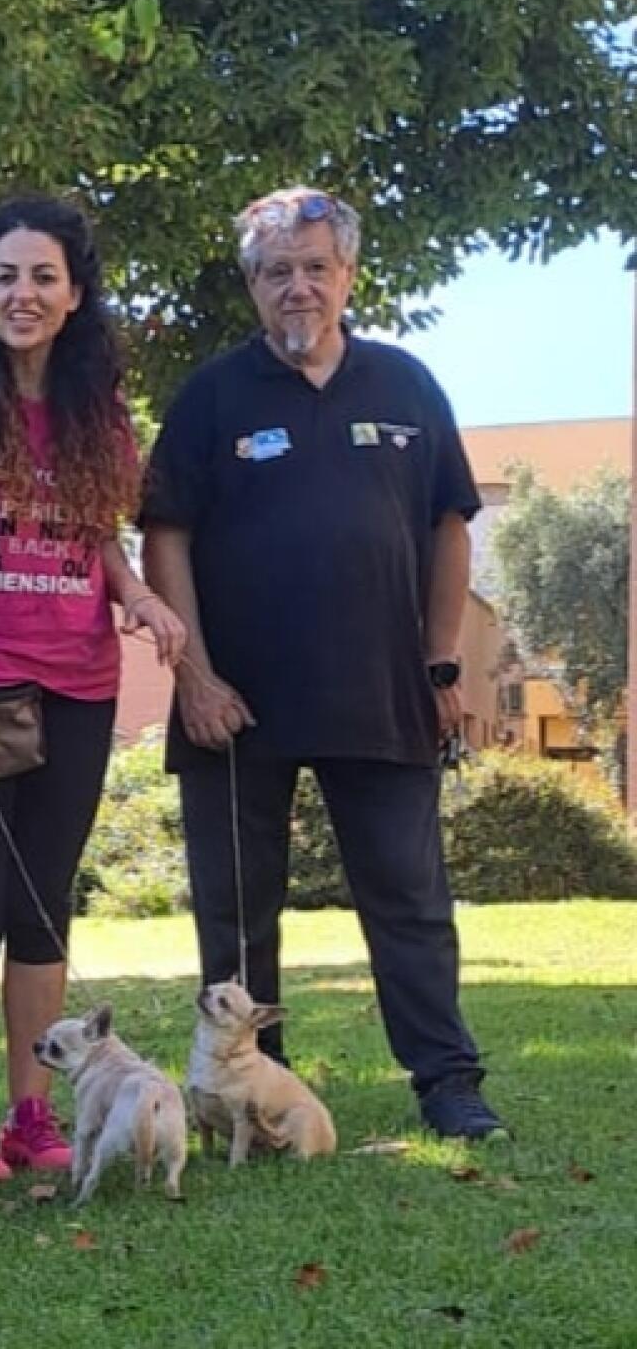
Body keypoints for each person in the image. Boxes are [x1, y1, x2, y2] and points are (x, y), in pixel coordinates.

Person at [141, 185, 505, 1142]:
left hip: (383, 691)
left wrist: (441, 665)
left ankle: (448, 1082)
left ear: (347, 275)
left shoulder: (407, 385)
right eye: (277, 272)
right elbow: (165, 535)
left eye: (314, 268)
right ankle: (253, 1092)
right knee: (235, 916)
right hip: (235, 704)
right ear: (252, 286)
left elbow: (449, 525)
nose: (297, 287)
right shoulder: (211, 396)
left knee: (411, 902)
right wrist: (195, 679)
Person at [0, 194, 185, 1182]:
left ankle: (32, 1111)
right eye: (5, 274)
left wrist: (141, 597)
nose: (23, 293)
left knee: (45, 902)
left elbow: (99, 539)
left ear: (75, 294)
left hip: (80, 678)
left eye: (43, 276)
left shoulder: (100, 413)